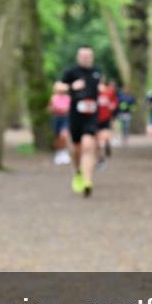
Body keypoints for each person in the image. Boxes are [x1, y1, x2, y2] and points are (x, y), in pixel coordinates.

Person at [54, 47, 102, 197]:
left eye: (89, 56)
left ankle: (88, 181)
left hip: (91, 116)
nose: (86, 58)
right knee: (76, 150)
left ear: (92, 57)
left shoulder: (97, 72)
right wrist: (70, 87)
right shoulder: (71, 72)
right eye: (83, 56)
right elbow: (57, 87)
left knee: (88, 146)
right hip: (75, 116)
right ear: (78, 57)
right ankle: (78, 171)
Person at [96, 77, 119, 163]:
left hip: (106, 117)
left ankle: (107, 144)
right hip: (95, 118)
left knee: (105, 135)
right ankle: (99, 156)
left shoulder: (109, 91)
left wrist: (112, 106)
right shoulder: (93, 91)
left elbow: (115, 101)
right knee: (96, 137)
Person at [47, 89, 71, 165]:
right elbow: (49, 108)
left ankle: (65, 152)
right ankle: (58, 153)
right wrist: (53, 109)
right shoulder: (54, 97)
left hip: (65, 117)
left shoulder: (68, 98)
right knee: (57, 137)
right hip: (56, 117)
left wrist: (66, 109)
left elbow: (71, 108)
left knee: (63, 135)